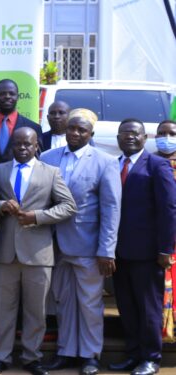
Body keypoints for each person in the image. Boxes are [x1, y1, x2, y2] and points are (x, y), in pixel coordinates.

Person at [0, 128, 77, 375]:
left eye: (28, 144)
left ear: (37, 146)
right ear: (11, 146)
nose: (22, 148)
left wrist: (37, 217)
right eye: (18, 144)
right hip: (5, 252)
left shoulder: (51, 173)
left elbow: (69, 206)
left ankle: (31, 357)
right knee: (2, 308)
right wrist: (1, 205)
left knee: (36, 310)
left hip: (38, 253)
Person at [40, 109, 121, 375]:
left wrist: (107, 250)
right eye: (72, 128)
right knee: (63, 301)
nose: (75, 133)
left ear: (91, 134)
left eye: (81, 130)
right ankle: (66, 351)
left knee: (89, 304)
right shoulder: (48, 157)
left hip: (89, 247)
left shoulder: (105, 162)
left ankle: (89, 355)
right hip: (54, 245)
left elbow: (111, 209)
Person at [108, 119, 176, 375]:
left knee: (149, 307)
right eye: (124, 134)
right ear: (117, 139)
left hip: (148, 253)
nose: (129, 138)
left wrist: (165, 249)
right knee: (126, 305)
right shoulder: (114, 165)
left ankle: (151, 358)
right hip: (119, 252)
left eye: (134, 134)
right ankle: (133, 353)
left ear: (144, 138)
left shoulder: (157, 165)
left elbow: (169, 208)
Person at [0, 79, 43, 164]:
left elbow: (37, 161)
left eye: (12, 93)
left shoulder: (33, 127)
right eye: (2, 93)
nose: (7, 96)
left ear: (18, 97)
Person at [155, 120, 176, 345]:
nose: (166, 137)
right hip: (154, 237)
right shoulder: (148, 162)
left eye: (171, 133)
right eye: (161, 133)